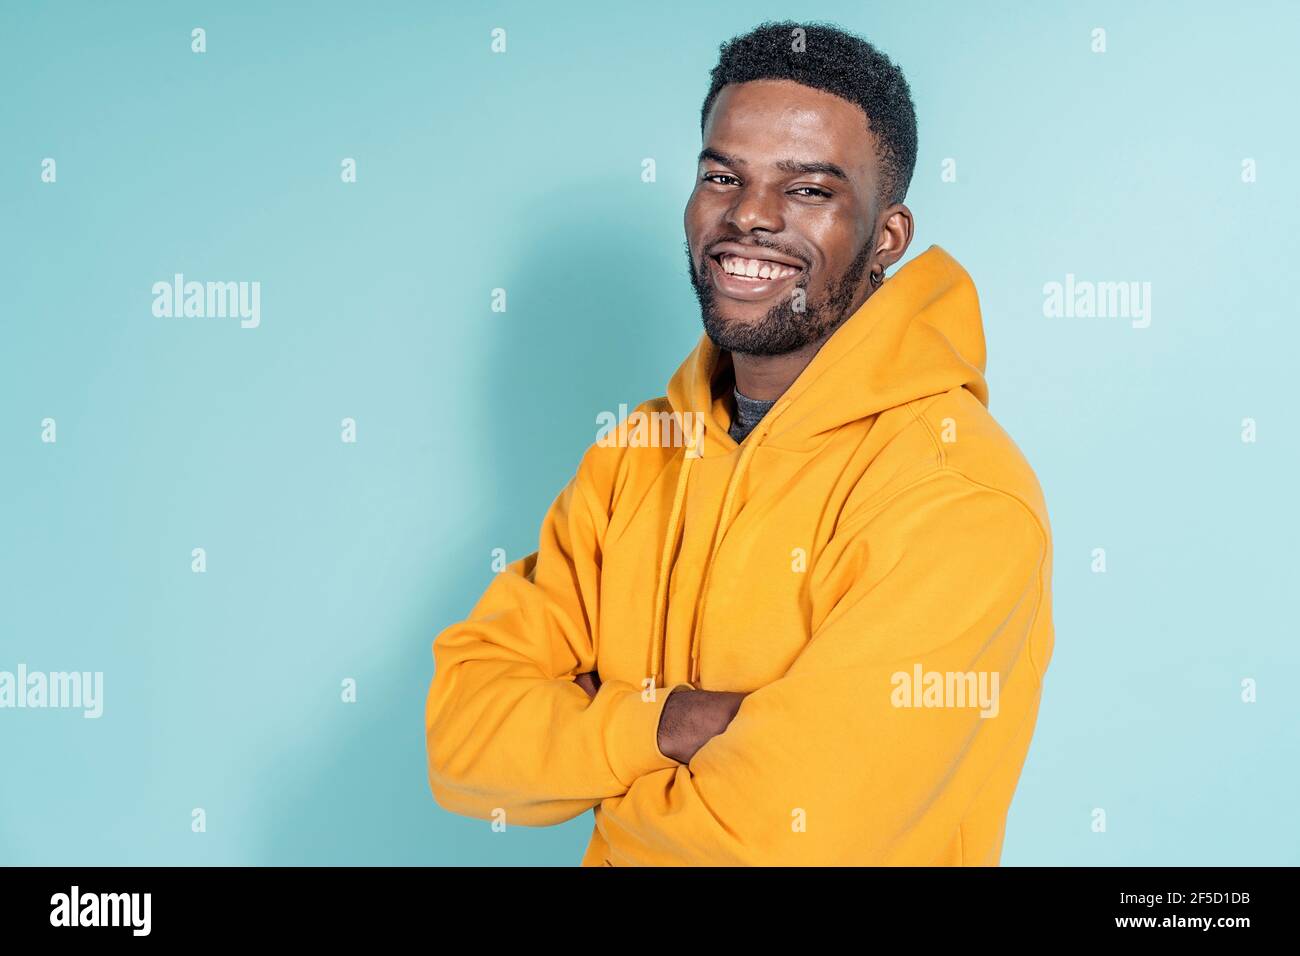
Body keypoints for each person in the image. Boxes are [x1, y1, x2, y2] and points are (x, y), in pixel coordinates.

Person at [425, 20, 1054, 866]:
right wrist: (674, 722)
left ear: (888, 239)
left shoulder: (954, 492)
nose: (749, 217)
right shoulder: (634, 455)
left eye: (808, 190)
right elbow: (462, 746)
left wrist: (594, 762)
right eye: (723, 176)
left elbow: (788, 839)